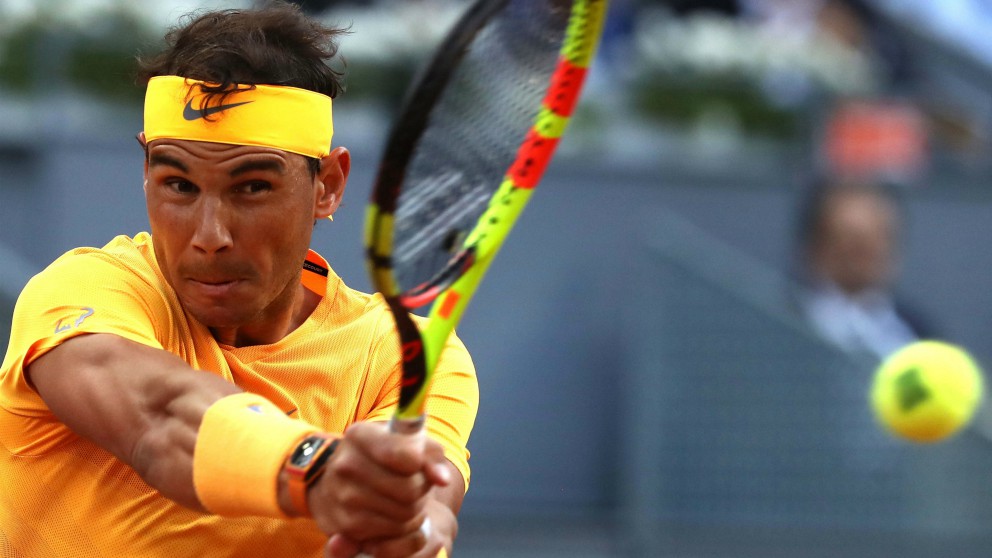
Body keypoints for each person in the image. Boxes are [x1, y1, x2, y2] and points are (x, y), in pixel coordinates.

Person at [0, 3, 478, 557]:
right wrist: (319, 471)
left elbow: (430, 505)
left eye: (251, 188)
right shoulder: (83, 290)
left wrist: (410, 525)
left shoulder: (406, 353)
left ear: (327, 184)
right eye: (178, 184)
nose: (210, 235)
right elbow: (161, 420)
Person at [791, 178, 935, 360]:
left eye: (885, 236)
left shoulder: (921, 332)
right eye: (855, 243)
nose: (877, 250)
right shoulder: (786, 325)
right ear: (817, 248)